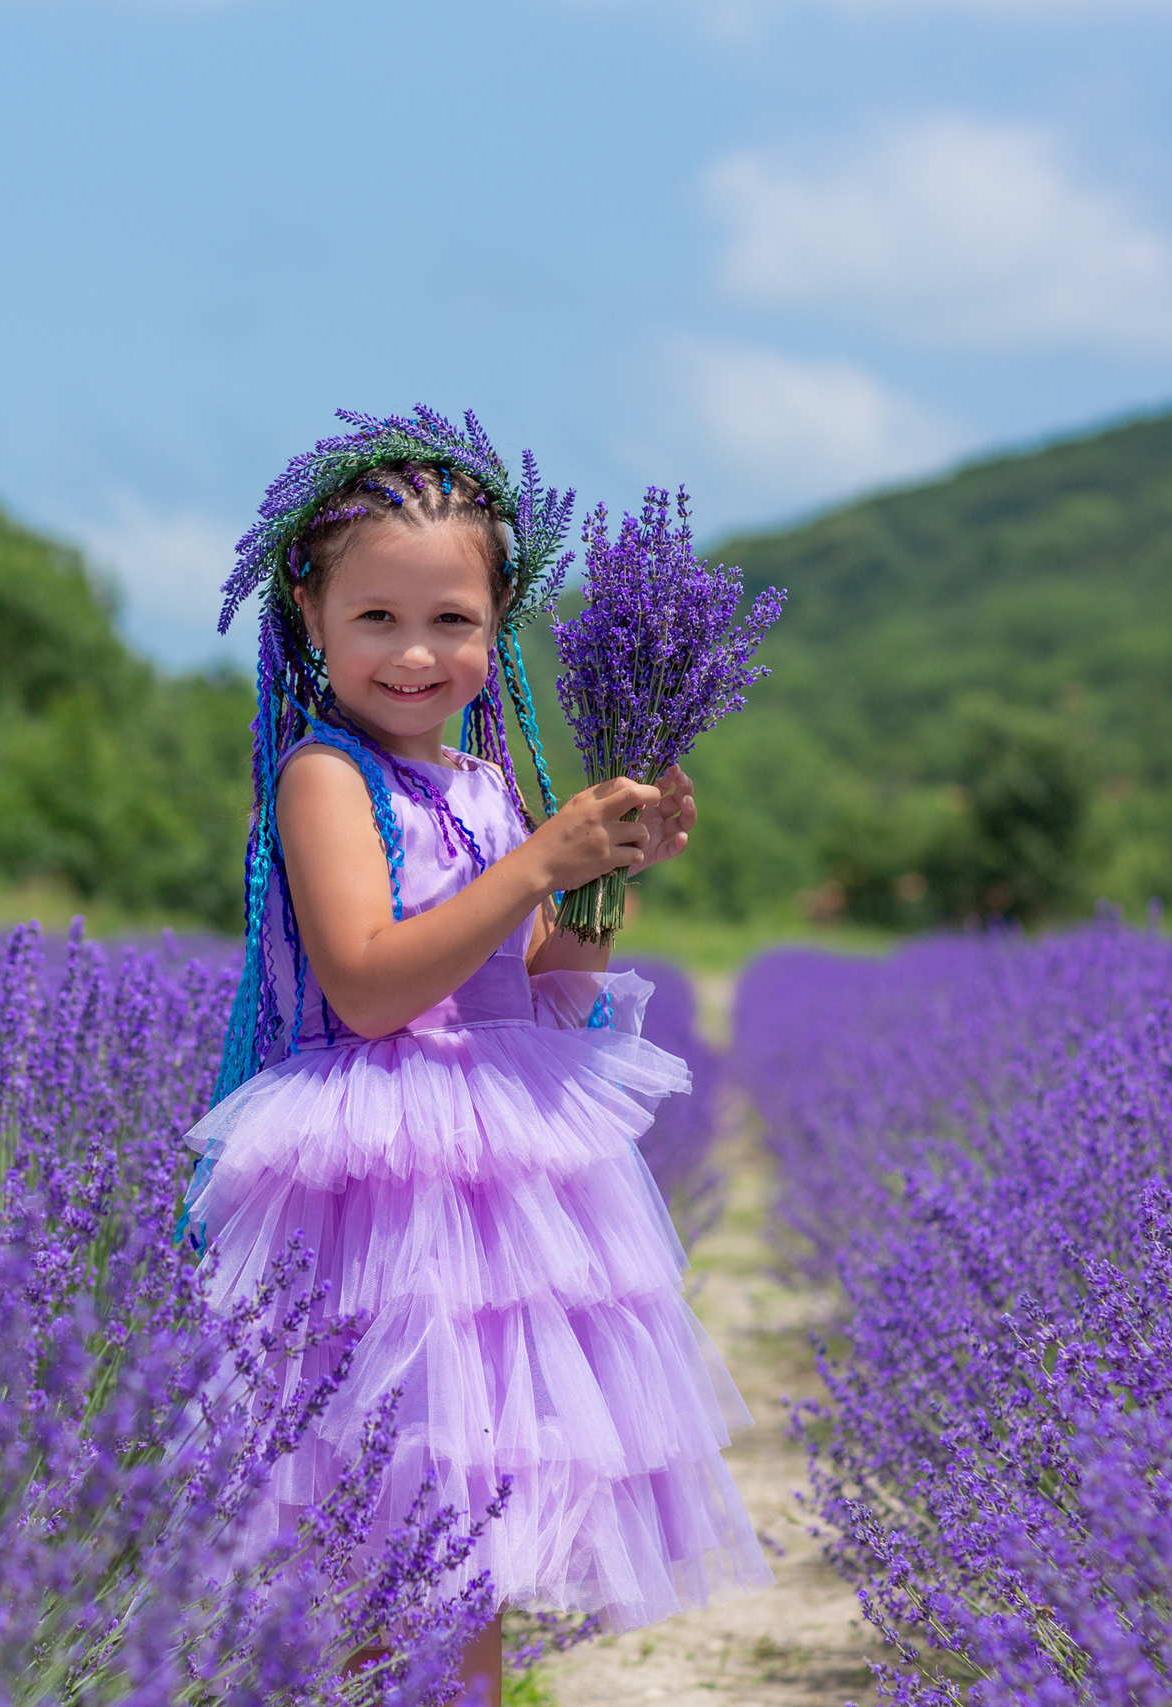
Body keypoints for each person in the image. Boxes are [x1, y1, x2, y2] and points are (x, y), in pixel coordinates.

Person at [180, 408, 772, 1699]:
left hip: (497, 1204)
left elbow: (544, 995)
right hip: (376, 1205)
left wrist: (603, 882)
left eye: (451, 620)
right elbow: (375, 986)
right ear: (310, 613)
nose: (414, 653)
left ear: (498, 622)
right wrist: (536, 864)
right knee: (375, 1541)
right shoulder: (324, 780)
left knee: (474, 1542)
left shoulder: (490, 783)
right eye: (377, 619)